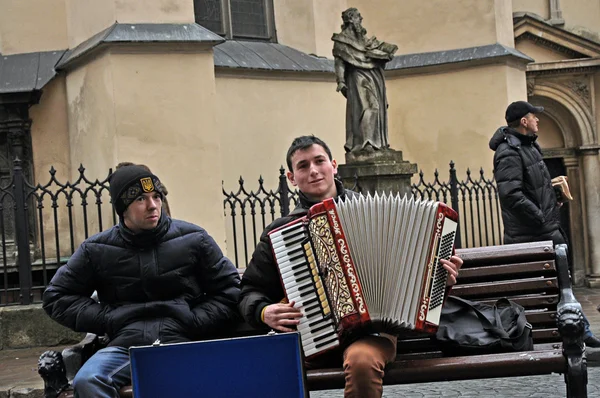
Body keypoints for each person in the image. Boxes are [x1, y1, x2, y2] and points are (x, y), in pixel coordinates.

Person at [239, 135, 463, 398]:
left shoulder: (377, 212)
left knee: (362, 362)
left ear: (333, 165)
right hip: (313, 339)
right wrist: (264, 311)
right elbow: (248, 292)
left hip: (372, 334)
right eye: (302, 166)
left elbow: (412, 277)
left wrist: (441, 280)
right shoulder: (280, 234)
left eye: (319, 161)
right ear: (291, 177)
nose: (313, 170)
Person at [43, 165, 241, 397]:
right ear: (122, 208)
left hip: (184, 340)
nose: (153, 205)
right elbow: (56, 297)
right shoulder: (96, 249)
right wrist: (107, 318)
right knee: (88, 380)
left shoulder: (194, 239)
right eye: (140, 199)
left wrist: (195, 320)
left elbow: (231, 289)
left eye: (156, 196)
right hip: (127, 345)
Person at [489, 100, 600, 348]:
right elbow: (511, 195)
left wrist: (552, 196)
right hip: (532, 234)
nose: (538, 119)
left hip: (545, 230)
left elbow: (531, 187)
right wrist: (540, 215)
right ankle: (579, 333)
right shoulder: (509, 152)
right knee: (556, 286)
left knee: (563, 284)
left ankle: (581, 331)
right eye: (534, 116)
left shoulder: (530, 146)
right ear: (524, 121)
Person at [332, 8, 398, 153]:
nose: (361, 19)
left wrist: (386, 53)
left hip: (374, 76)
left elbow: (376, 49)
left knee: (378, 108)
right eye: (358, 17)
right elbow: (340, 62)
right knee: (368, 107)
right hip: (357, 77)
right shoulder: (341, 41)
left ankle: (379, 144)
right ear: (350, 19)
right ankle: (365, 143)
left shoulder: (363, 39)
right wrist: (341, 80)